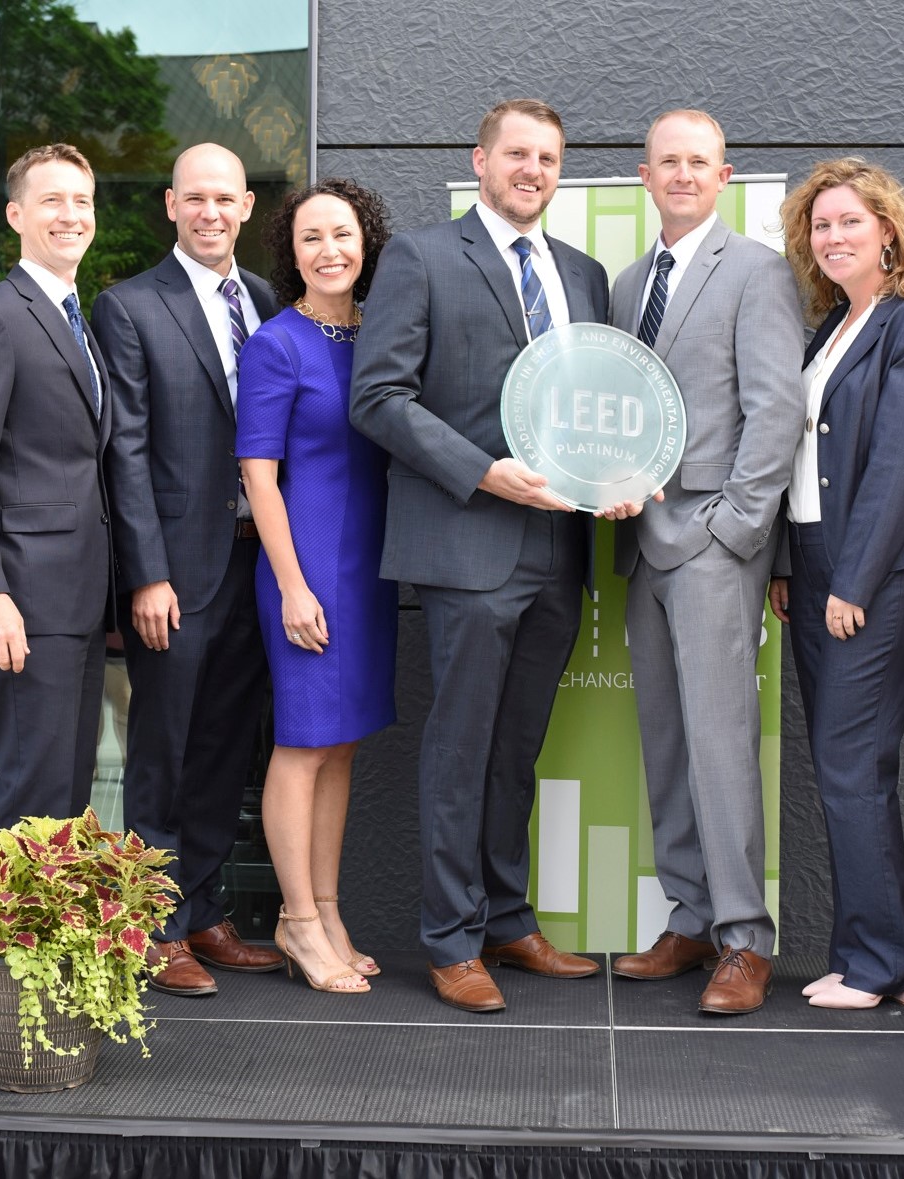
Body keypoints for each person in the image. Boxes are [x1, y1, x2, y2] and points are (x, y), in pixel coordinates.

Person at [351, 99, 635, 1014]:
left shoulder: (586, 277)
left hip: (560, 547)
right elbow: (381, 398)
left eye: (549, 157)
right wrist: (484, 474)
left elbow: (598, 405)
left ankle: (508, 919)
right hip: (468, 541)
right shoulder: (422, 258)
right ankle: (450, 937)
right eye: (518, 153)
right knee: (462, 747)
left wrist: (621, 477)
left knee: (518, 750)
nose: (534, 169)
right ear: (480, 160)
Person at [606, 110, 803, 1015]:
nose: (682, 174)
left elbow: (776, 412)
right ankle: (687, 917)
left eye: (700, 162)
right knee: (666, 739)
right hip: (642, 545)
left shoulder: (757, 272)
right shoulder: (626, 282)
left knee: (722, 743)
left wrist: (734, 528)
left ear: (724, 178)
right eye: (668, 161)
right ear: (644, 176)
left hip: (714, 544)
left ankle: (743, 938)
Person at [93, 143, 286, 996]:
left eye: (226, 198)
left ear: (247, 207)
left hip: (257, 566)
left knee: (222, 749)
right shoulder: (129, 306)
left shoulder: (270, 301)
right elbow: (124, 451)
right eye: (195, 198)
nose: (212, 212)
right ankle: (151, 925)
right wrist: (147, 574)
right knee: (162, 754)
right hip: (177, 571)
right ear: (171, 206)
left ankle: (201, 910)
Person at [770, 158, 904, 1011]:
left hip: (868, 574)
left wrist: (853, 580)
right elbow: (798, 454)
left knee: (852, 765)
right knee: (845, 764)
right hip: (814, 565)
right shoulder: (831, 327)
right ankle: (892, 961)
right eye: (821, 225)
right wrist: (789, 564)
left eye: (851, 221)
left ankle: (877, 962)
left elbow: (898, 462)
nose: (834, 236)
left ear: (889, 229)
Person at [237, 178, 397, 995]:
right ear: (290, 253)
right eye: (310, 238)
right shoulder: (276, 343)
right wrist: (295, 586)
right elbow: (259, 477)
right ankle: (297, 919)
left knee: (341, 744)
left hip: (369, 569)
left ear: (365, 241)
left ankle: (328, 909)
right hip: (308, 567)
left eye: (342, 234)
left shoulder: (382, 335)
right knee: (301, 743)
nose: (329, 250)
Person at [0, 143, 116, 834]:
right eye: (52, 200)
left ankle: (48, 945)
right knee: (30, 798)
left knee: (64, 796)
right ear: (16, 214)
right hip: (22, 601)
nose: (71, 215)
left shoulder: (76, 319)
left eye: (82, 201)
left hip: (76, 600)